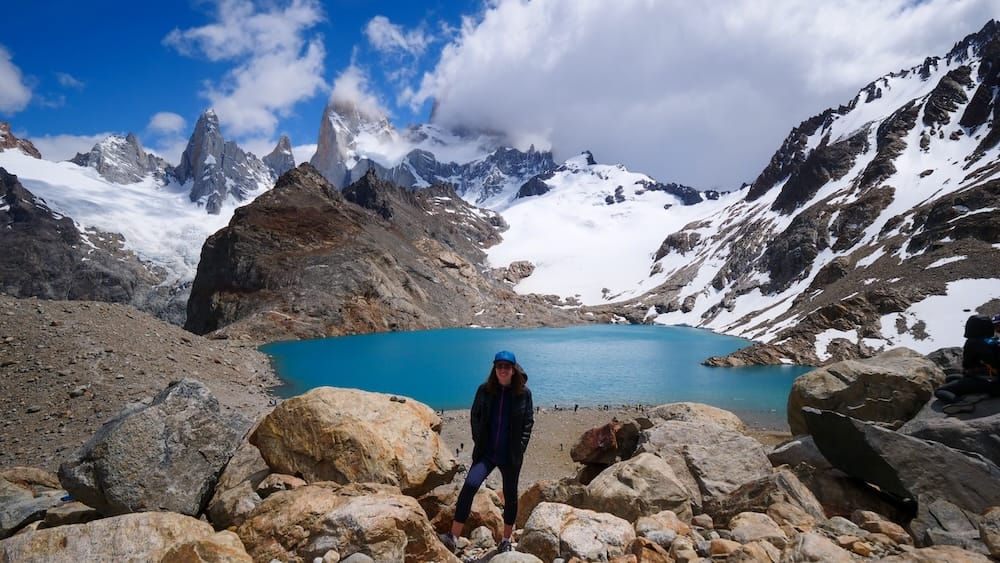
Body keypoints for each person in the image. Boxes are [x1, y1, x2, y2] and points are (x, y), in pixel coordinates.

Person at [441, 350, 534, 554]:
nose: (503, 370)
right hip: (487, 453)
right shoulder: (485, 390)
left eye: (506, 367)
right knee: (469, 486)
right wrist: (478, 440)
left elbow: (528, 422)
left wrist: (520, 447)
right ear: (495, 368)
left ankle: (506, 540)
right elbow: (475, 415)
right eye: (499, 366)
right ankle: (453, 537)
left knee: (510, 496)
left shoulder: (523, 393)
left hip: (510, 456)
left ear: (513, 369)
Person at [934, 314, 1000, 410]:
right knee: (950, 378)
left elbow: (968, 364)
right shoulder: (992, 340)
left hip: (991, 382)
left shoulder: (973, 343)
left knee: (940, 391)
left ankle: (961, 404)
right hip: (992, 378)